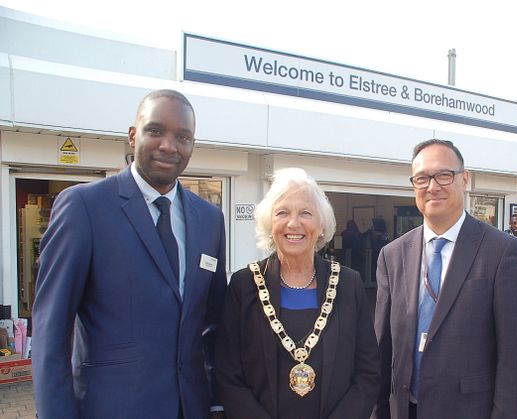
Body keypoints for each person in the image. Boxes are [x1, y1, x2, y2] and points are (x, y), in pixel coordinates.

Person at [32, 89, 228, 418]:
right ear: (132, 136)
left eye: (183, 136)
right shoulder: (85, 208)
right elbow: (51, 332)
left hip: (190, 408)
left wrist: (217, 399)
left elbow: (212, 322)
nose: (169, 145)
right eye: (155, 131)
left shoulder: (209, 219)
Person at [373, 139, 517, 419]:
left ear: (465, 179)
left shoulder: (501, 251)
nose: (432, 186)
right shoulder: (392, 255)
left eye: (444, 175)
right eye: (422, 178)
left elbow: (515, 357)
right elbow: (382, 348)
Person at [215, 168, 380, 419]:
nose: (294, 223)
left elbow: (367, 372)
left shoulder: (349, 284)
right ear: (270, 224)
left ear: (321, 224)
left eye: (305, 213)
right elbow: (228, 374)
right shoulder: (243, 286)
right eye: (282, 212)